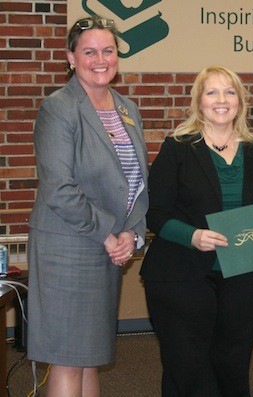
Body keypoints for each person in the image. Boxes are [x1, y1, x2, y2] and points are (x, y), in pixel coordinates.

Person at [140, 66, 253, 397]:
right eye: (212, 92)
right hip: (182, 273)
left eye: (229, 92)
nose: (221, 100)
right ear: (198, 102)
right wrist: (192, 236)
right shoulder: (178, 148)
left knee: (232, 364)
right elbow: (154, 213)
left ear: (240, 102)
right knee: (189, 368)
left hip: (246, 275)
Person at [27, 16, 148, 397]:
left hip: (108, 248)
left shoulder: (127, 108)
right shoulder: (59, 108)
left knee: (91, 355)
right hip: (67, 246)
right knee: (67, 357)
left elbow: (139, 181)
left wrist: (133, 233)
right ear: (71, 57)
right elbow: (59, 188)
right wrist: (110, 235)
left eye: (108, 51)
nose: (101, 59)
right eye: (90, 51)